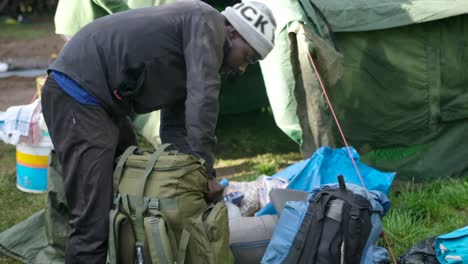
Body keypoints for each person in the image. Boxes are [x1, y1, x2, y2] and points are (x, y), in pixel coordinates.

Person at [40, 0, 276, 263]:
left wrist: (192, 176)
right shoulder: (206, 21)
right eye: (248, 57)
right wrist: (205, 171)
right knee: (92, 217)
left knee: (132, 179)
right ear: (233, 32)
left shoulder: (193, 42)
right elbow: (203, 101)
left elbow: (175, 127)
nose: (243, 69)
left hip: (105, 106)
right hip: (76, 93)